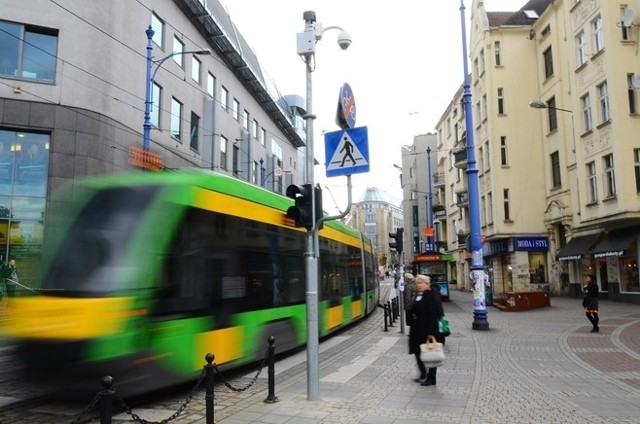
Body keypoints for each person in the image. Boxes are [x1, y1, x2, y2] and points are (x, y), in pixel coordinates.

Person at [408, 274, 444, 386]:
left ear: (427, 284)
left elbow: (434, 315)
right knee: (418, 352)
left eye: (421, 283)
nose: (418, 285)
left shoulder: (431, 296)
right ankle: (424, 374)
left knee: (430, 353)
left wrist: (431, 333)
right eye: (417, 283)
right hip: (418, 330)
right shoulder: (421, 295)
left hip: (427, 330)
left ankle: (431, 377)